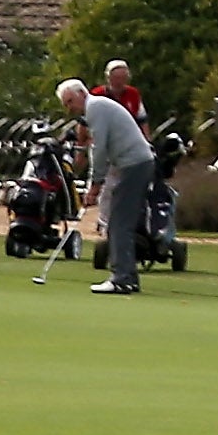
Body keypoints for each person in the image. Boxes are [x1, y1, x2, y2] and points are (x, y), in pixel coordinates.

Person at [64, 76, 154, 294]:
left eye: (69, 101)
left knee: (118, 223)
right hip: (134, 165)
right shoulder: (97, 107)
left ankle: (122, 279)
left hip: (135, 165)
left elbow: (100, 149)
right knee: (118, 222)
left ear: (81, 93)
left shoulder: (95, 108)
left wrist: (94, 185)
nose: (69, 108)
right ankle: (128, 277)